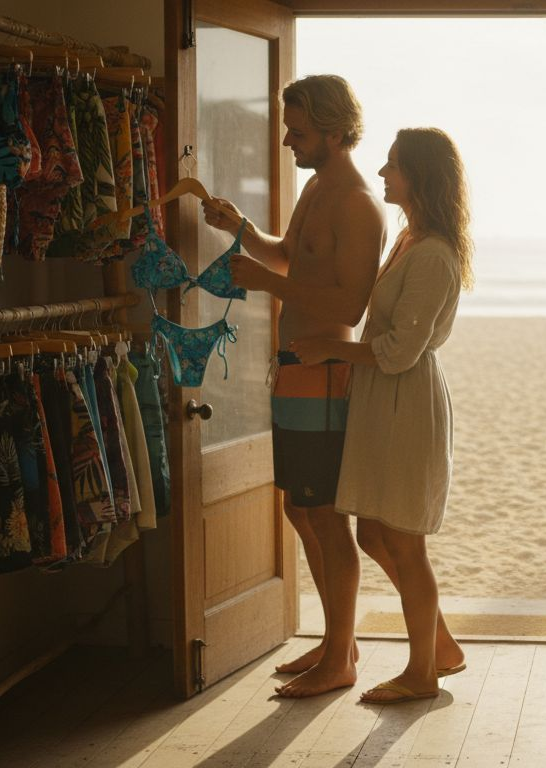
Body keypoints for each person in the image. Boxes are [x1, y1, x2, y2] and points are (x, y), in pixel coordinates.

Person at [201, 74, 384, 698]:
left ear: (334, 132)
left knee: (325, 516)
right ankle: (338, 644)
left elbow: (351, 304)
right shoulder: (317, 188)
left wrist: (266, 282)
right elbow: (291, 257)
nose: (287, 141)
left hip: (326, 376)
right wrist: (242, 229)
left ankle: (340, 657)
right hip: (297, 372)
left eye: (298, 131)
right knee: (300, 508)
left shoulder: (357, 203)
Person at [290, 127, 471, 705]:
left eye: (393, 165)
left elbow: (399, 351)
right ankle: (441, 644)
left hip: (405, 404)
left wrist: (330, 350)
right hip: (380, 400)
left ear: (420, 176)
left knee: (405, 543)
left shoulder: (435, 254)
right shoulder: (410, 239)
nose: (383, 172)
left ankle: (422, 672)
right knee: (372, 532)